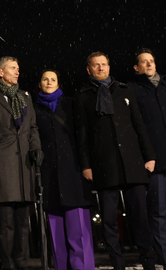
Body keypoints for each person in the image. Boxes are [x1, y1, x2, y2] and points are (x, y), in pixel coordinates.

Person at [74, 51, 156, 270]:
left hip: (132, 163)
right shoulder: (83, 96)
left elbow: (139, 126)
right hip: (104, 165)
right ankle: (117, 264)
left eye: (104, 64)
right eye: (96, 65)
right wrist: (86, 165)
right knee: (109, 221)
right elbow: (81, 135)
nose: (101, 68)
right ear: (88, 69)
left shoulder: (124, 90)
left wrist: (150, 156)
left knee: (140, 217)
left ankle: (148, 261)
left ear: (109, 68)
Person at [0, 56, 41, 270]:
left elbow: (32, 127)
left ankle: (22, 264)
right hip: (3, 164)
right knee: (5, 222)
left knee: (23, 223)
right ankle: (5, 265)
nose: (17, 72)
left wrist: (36, 148)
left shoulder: (25, 96)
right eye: (13, 68)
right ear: (0, 72)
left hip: (24, 166)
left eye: (18, 68)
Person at [34, 69, 95, 270]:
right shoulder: (34, 109)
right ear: (40, 84)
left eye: (53, 79)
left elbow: (83, 135)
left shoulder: (70, 103)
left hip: (74, 172)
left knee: (78, 229)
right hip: (49, 174)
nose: (49, 82)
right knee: (56, 231)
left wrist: (86, 165)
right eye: (45, 79)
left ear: (59, 84)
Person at [128, 48, 166, 267]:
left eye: (152, 60)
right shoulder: (133, 90)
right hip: (156, 162)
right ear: (137, 68)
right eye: (144, 62)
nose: (150, 64)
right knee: (159, 213)